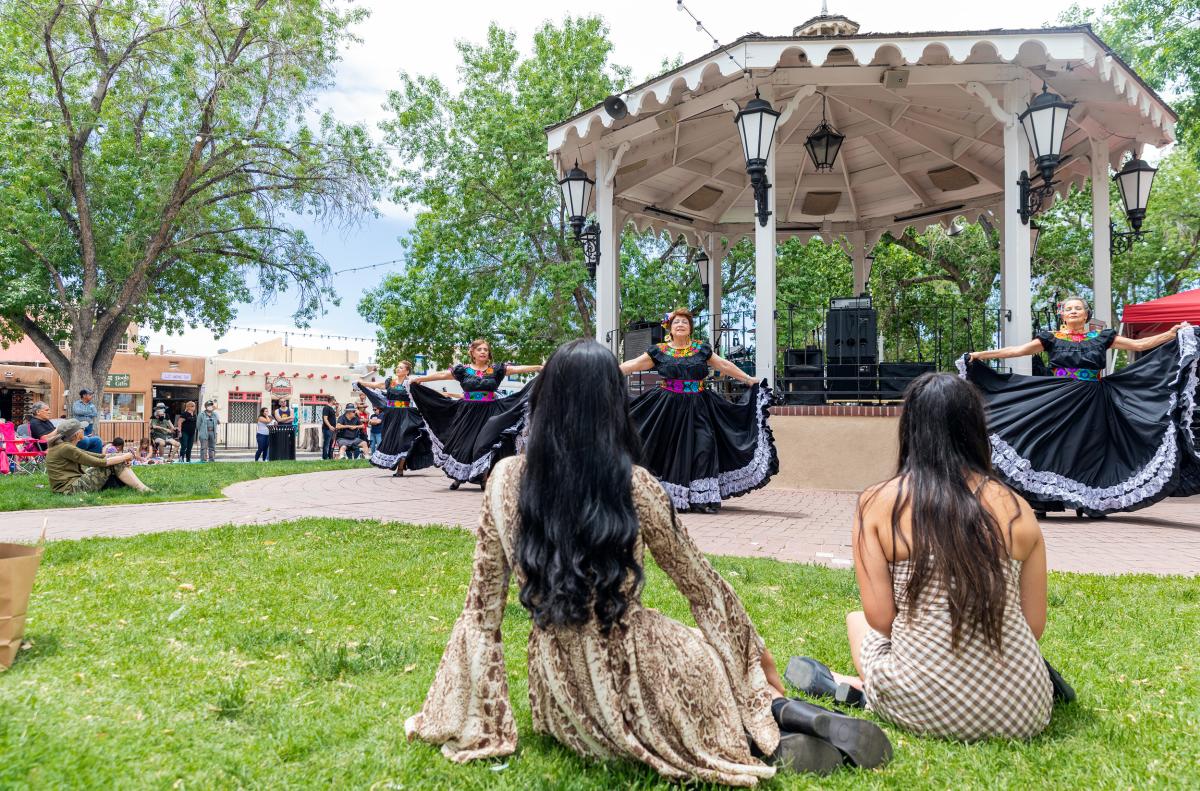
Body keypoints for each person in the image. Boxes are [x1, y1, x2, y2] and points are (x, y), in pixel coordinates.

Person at [407, 339, 890, 782]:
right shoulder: (636, 484)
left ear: (543, 401)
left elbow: (480, 612)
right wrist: (752, 650)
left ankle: (769, 729)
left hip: (562, 694)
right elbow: (699, 583)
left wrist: (480, 718)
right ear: (614, 406)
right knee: (707, 667)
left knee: (691, 690)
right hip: (644, 656)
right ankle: (781, 715)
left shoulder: (505, 480)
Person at [787, 373, 1068, 742]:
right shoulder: (1017, 508)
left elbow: (881, 618)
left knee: (858, 622)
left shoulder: (879, 503)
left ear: (911, 428)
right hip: (1025, 710)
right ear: (976, 427)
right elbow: (1032, 626)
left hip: (922, 704)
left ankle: (854, 686)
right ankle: (1007, 675)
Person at [963, 295, 1199, 516]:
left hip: (1093, 399)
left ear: (1086, 315)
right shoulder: (1050, 338)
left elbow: (1139, 345)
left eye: (1078, 308)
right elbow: (1017, 350)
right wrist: (981, 355)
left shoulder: (1101, 337)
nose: (1073, 311)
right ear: (1063, 315)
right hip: (1059, 398)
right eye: (1069, 309)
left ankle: (1087, 503)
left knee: (1088, 449)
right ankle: (1043, 500)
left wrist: (1170, 334)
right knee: (1052, 445)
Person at [618, 308, 779, 513]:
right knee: (670, 449)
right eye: (676, 322)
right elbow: (633, 365)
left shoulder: (701, 350)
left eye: (685, 322)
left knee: (705, 447)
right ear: (670, 328)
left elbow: (723, 365)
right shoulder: (659, 351)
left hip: (699, 405)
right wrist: (608, 369)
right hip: (668, 407)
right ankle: (672, 497)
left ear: (690, 328)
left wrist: (747, 379)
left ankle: (702, 499)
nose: (681, 324)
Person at [409, 339, 542, 490]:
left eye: (486, 349)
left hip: (490, 411)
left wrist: (538, 367)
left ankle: (484, 478)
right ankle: (459, 476)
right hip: (467, 412)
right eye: (480, 349)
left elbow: (516, 370)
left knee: (484, 443)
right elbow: (442, 374)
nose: (483, 352)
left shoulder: (495, 369)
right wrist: (421, 378)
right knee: (463, 445)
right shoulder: (463, 370)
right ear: (472, 352)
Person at [356, 362, 434, 477]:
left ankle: (400, 468)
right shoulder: (391, 382)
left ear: (407, 371)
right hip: (391, 415)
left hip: (405, 415)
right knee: (393, 440)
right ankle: (398, 464)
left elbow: (423, 395)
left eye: (401, 367)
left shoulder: (410, 383)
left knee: (403, 440)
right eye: (397, 367)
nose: (398, 369)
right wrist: (362, 383)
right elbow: (378, 385)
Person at [46, 419, 151, 494]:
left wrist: (122, 455)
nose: (85, 429)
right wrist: (124, 457)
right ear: (77, 434)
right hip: (70, 489)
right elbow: (98, 462)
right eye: (82, 428)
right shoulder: (66, 448)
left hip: (67, 487)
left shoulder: (62, 446)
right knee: (112, 463)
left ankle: (141, 488)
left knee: (115, 460)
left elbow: (98, 456)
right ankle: (144, 490)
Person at [70, 389, 103, 453]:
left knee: (89, 439)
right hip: (80, 426)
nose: (91, 396)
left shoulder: (92, 404)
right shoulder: (77, 403)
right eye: (90, 395)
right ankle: (80, 454)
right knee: (81, 440)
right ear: (84, 395)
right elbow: (77, 412)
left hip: (89, 425)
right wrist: (89, 412)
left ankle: (87, 455)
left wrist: (83, 412)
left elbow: (95, 413)